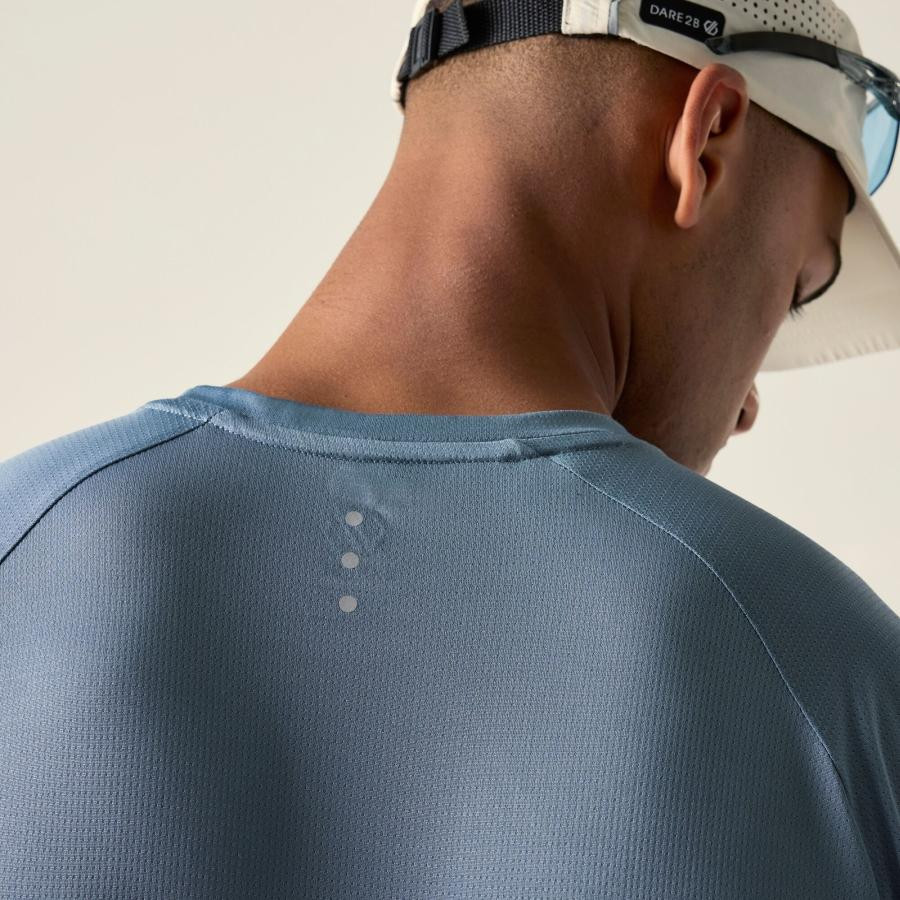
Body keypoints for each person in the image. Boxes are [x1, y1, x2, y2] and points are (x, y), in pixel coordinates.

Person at [1, 0, 898, 897]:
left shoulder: (23, 544)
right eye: (797, 287)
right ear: (705, 141)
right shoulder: (827, 675)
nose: (746, 407)